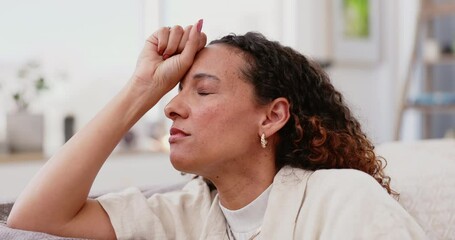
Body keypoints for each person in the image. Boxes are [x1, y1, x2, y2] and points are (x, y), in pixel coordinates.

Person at [7, 19, 426, 239]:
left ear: (271, 116)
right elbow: (34, 216)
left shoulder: (343, 198)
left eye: (203, 91)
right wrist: (140, 90)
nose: (170, 108)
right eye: (172, 92)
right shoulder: (186, 213)